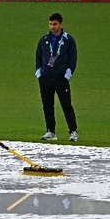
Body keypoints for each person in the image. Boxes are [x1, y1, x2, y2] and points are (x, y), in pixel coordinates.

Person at [35, 12, 78, 142]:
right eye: (50, 24)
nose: (52, 27)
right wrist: (38, 72)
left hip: (61, 78)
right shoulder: (44, 40)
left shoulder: (68, 39)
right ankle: (50, 131)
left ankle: (73, 131)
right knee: (47, 105)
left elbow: (73, 58)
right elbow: (38, 56)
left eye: (55, 24)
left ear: (61, 24)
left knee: (66, 105)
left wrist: (68, 74)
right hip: (46, 78)